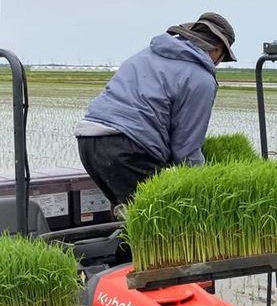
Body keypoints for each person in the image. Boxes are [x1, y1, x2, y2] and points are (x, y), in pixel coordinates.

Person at [74, 12, 236, 210]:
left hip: (88, 141)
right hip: (128, 148)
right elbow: (186, 146)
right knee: (159, 218)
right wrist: (202, 186)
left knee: (131, 216)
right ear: (218, 49)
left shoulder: (147, 54)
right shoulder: (201, 79)